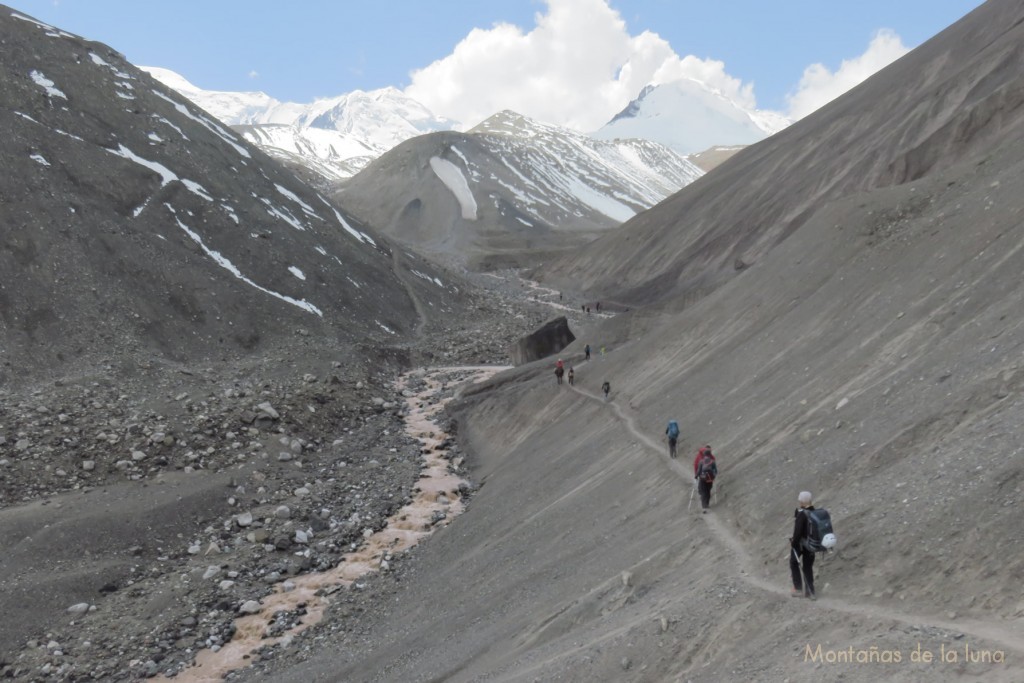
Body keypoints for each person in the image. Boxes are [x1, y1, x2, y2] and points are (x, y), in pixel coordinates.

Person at [790, 491, 817, 600]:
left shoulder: (802, 514)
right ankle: (810, 592)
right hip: (812, 544)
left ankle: (798, 589)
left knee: (793, 563)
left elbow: (798, 532)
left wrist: (793, 542)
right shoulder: (815, 512)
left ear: (801, 501)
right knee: (808, 567)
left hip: (801, 544)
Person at [694, 447, 717, 513]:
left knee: (703, 491)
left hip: (703, 478)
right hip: (710, 478)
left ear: (704, 455)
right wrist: (714, 476)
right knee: (708, 490)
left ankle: (704, 507)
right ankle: (707, 504)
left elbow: (699, 470)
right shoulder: (712, 461)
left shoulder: (701, 461)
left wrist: (696, 476)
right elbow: (715, 470)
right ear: (710, 455)